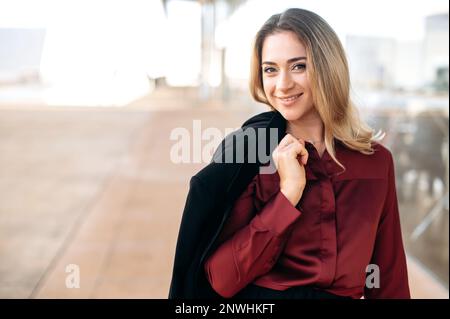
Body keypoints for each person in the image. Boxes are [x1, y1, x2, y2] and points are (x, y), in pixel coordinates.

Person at [169, 8, 410, 299]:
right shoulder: (251, 157)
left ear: (327, 67)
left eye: (298, 66)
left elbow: (389, 280)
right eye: (270, 69)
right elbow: (221, 279)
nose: (282, 84)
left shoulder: (376, 162)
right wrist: (287, 196)